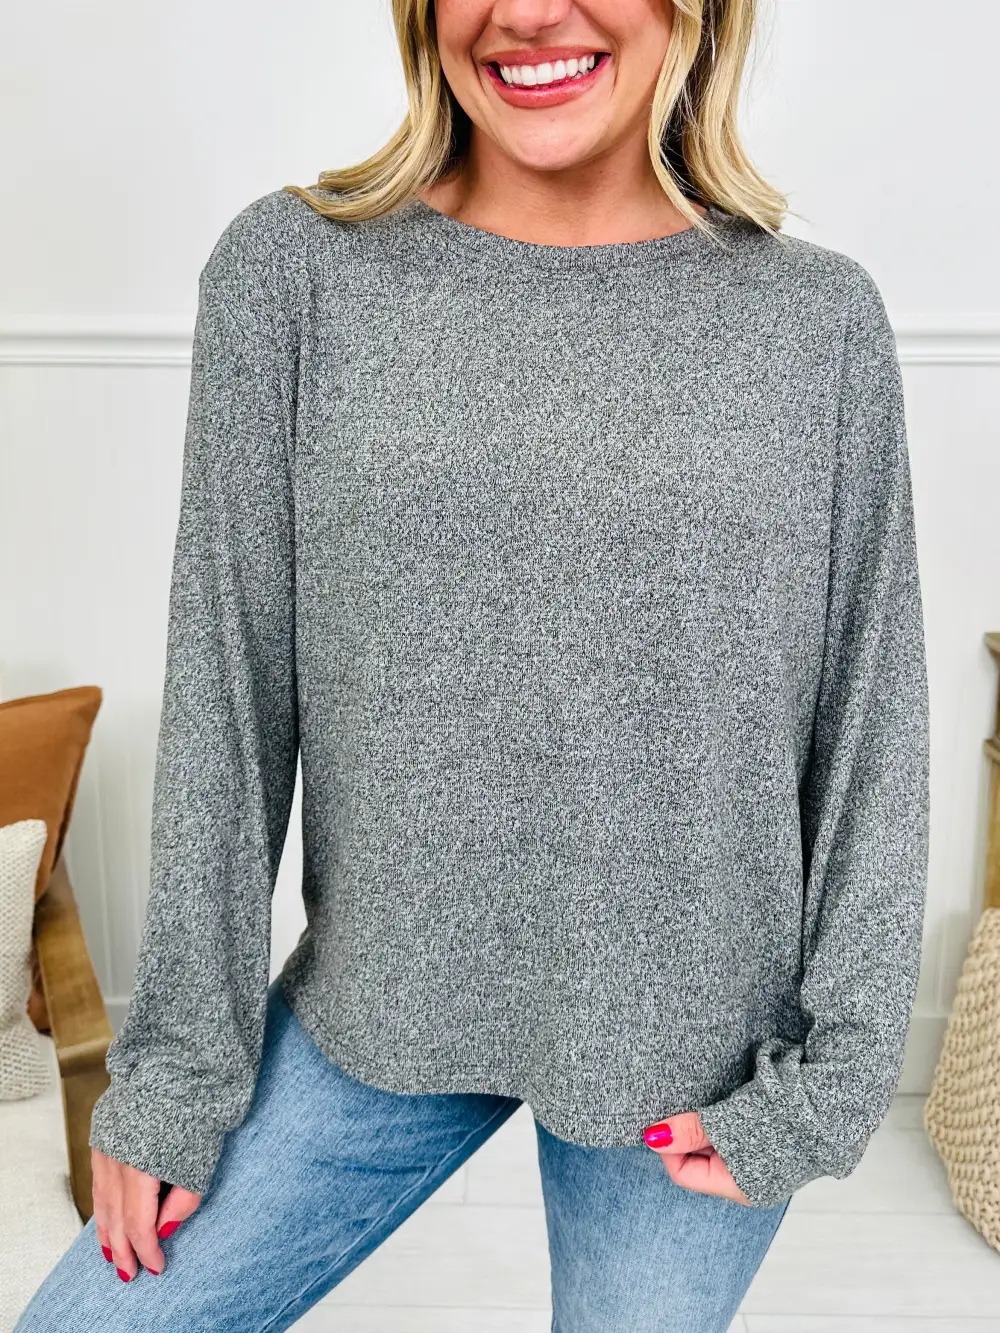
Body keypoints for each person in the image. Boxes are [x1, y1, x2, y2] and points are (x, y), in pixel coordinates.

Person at [15, 0, 930, 1329]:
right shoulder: (295, 274)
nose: (528, 14)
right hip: (380, 1003)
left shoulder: (816, 321)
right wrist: (174, 1079)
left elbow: (871, 722)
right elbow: (228, 694)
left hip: (694, 1059)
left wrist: (826, 1089)